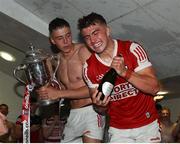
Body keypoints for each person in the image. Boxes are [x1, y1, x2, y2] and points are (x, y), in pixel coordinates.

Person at [78, 12, 161, 143]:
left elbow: (154, 88)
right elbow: (100, 109)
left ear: (107, 30)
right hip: (118, 130)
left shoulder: (132, 49)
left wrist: (125, 72)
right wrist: (100, 105)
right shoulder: (88, 68)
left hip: (147, 125)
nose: (93, 41)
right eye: (87, 37)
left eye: (96, 33)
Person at [37, 18, 105, 143]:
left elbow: (95, 89)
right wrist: (47, 84)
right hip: (72, 114)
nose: (66, 41)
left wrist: (58, 93)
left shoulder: (83, 52)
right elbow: (60, 92)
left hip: (92, 111)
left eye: (68, 35)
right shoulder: (56, 60)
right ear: (52, 40)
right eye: (60, 38)